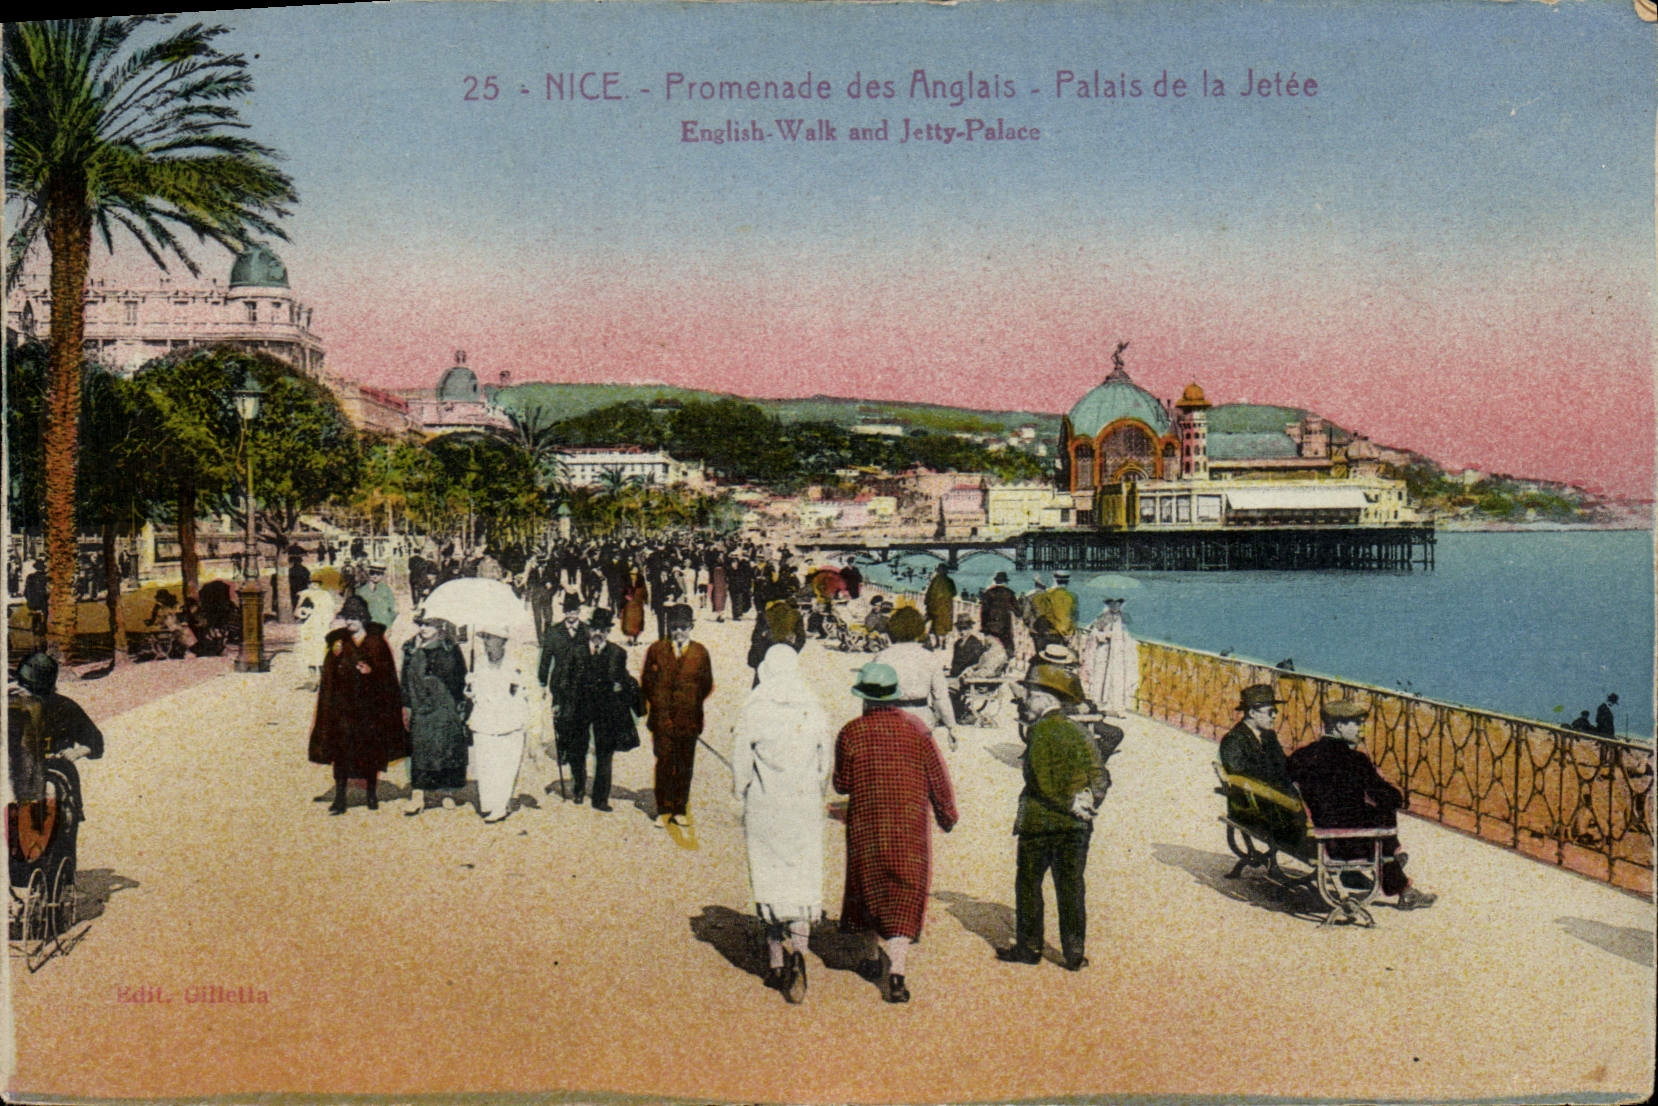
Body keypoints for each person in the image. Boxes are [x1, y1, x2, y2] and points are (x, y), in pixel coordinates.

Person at [833, 661, 959, 1004]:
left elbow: (841, 785)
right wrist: (948, 816)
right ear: (895, 698)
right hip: (908, 825)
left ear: (864, 699)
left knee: (869, 885)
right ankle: (898, 971)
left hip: (867, 824)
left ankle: (872, 958)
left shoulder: (850, 732)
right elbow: (938, 779)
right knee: (904, 889)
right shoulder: (917, 730)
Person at [732, 640, 832, 1004]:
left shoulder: (754, 707)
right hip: (802, 803)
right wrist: (815, 788)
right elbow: (826, 762)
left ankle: (776, 962)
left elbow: (741, 764)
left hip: (766, 803)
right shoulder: (812, 704)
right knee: (802, 876)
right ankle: (800, 952)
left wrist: (739, 791)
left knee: (770, 875)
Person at [996, 663, 1102, 971]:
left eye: (1030, 694)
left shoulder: (1039, 730)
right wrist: (1089, 801)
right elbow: (1100, 773)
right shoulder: (1080, 730)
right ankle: (1074, 954)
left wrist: (1069, 802)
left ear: (1044, 698)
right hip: (1077, 827)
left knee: (1029, 884)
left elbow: (1040, 780)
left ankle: (1029, 949)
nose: (1025, 700)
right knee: (1071, 887)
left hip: (1040, 824)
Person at [1287, 700, 1437, 910]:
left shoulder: (1302, 756)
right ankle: (1399, 877)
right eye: (1356, 724)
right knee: (1382, 818)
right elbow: (1393, 798)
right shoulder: (1355, 760)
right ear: (1339, 726)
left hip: (1309, 836)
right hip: (1340, 842)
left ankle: (1392, 861)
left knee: (1371, 815)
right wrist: (1383, 782)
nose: (1361, 729)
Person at [308, 595, 409, 814]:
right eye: (347, 617)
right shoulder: (338, 642)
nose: (350, 622)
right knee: (341, 754)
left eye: (354, 618)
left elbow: (388, 675)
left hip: (369, 709)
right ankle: (340, 799)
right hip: (343, 708)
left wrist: (371, 672)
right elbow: (329, 674)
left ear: (363, 618)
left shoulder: (376, 642)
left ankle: (371, 795)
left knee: (370, 753)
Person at [640, 604, 715, 828]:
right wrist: (660, 705)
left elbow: (706, 684)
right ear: (668, 628)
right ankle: (663, 810)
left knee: (684, 764)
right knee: (664, 762)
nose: (679, 631)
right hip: (662, 719)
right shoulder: (657, 650)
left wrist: (689, 702)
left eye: (683, 627)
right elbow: (647, 682)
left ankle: (680, 808)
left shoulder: (700, 652)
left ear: (691, 627)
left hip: (688, 719)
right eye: (674, 627)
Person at [8, 652, 103, 824]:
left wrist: (77, 752)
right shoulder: (9, 706)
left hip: (55, 769)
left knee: (66, 817)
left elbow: (95, 741)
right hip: (17, 772)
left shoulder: (64, 707)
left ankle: (66, 841)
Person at [569, 608, 640, 811]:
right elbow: (566, 679)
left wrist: (624, 687)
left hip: (606, 710)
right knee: (577, 749)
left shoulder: (618, 653)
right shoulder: (577, 651)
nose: (598, 633)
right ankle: (579, 788)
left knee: (604, 753)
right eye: (594, 629)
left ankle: (600, 798)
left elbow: (623, 678)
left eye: (603, 630)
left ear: (608, 632)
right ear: (589, 630)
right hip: (581, 707)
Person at [400, 612, 469, 815]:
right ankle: (418, 796)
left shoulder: (450, 647)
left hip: (444, 705)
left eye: (428, 625)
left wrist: (461, 704)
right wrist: (406, 705)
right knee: (420, 749)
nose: (423, 628)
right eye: (420, 624)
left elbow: (461, 678)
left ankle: (447, 793)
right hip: (419, 705)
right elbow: (404, 679)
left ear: (439, 626)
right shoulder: (410, 648)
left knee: (446, 748)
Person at [466, 626, 535, 823]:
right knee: (486, 763)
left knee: (507, 764)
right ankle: (489, 803)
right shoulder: (478, 662)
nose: (487, 643)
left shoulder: (515, 663)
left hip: (509, 721)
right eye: (485, 638)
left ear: (503, 641)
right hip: (484, 720)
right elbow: (475, 691)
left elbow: (526, 691)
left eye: (491, 638)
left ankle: (500, 805)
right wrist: (470, 688)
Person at [1217, 684, 1300, 845]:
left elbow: (1283, 765)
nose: (1275, 716)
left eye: (1275, 711)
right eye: (1271, 711)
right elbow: (1241, 776)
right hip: (1252, 808)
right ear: (1252, 713)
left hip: (1273, 803)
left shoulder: (1268, 736)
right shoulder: (1233, 740)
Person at [875, 607, 959, 750]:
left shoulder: (882, 657)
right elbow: (941, 698)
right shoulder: (930, 658)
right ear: (919, 630)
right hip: (921, 720)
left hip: (888, 720)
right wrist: (951, 727)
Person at [1080, 598, 1139, 717]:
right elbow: (1093, 633)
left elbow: (1134, 633)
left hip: (1120, 655)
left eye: (1118, 603)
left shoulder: (1125, 617)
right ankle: (1101, 705)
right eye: (1113, 603)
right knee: (1102, 678)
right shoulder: (1103, 617)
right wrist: (1105, 635)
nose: (1116, 606)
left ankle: (1118, 706)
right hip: (1105, 653)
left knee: (1119, 679)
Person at [1026, 571, 1079, 651]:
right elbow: (1073, 619)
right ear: (1068, 582)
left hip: (1046, 634)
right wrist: (1068, 634)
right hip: (1063, 636)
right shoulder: (1073, 597)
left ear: (1055, 580)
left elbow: (1038, 612)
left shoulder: (1045, 595)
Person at [979, 570, 1021, 656]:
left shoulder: (988, 593)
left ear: (995, 581)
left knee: (991, 648)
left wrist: (983, 627)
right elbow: (1018, 612)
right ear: (1005, 581)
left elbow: (984, 612)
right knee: (1007, 646)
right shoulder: (1009, 593)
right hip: (1005, 625)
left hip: (990, 624)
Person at [356, 564, 399, 631]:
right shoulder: (361, 591)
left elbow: (394, 609)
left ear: (382, 575)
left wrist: (388, 622)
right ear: (369, 574)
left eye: (378, 574)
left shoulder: (386, 589)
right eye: (372, 573)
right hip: (367, 626)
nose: (375, 576)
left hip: (383, 625)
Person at [923, 563, 957, 646]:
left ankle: (938, 642)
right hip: (946, 608)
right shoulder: (950, 581)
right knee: (944, 626)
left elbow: (930, 593)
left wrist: (927, 603)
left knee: (935, 626)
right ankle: (943, 643)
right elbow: (954, 593)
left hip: (936, 607)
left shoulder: (935, 580)